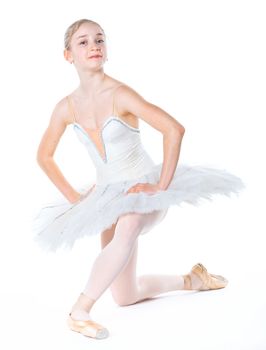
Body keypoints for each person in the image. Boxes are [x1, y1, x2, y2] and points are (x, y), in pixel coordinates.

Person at [33, 19, 244, 340]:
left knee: (129, 225)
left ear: (106, 49)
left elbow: (174, 129)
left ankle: (79, 310)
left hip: (142, 187)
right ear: (68, 56)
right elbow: (44, 157)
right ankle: (193, 280)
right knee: (125, 295)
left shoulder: (120, 94)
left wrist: (160, 187)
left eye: (99, 40)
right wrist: (76, 200)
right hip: (106, 196)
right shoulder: (65, 108)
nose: (94, 47)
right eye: (83, 42)